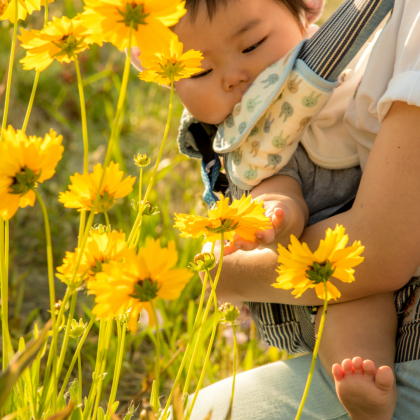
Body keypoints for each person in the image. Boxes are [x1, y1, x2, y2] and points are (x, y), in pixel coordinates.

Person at [168, 0, 420, 419]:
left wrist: (222, 270)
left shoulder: (347, 69)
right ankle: (366, 389)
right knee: (348, 310)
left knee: (352, 281)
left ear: (307, 15)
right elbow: (277, 185)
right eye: (199, 72)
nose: (234, 77)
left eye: (251, 45)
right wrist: (275, 216)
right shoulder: (242, 140)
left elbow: (380, 253)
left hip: (375, 227)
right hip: (331, 259)